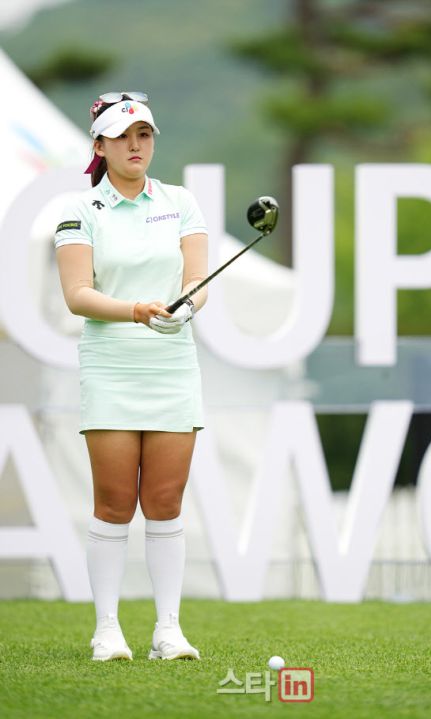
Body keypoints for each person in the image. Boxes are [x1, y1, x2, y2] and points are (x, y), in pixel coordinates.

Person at [54, 91, 208, 662]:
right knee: (116, 501)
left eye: (143, 134)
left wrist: (186, 307)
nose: (135, 145)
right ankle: (107, 630)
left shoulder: (180, 202)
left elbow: (196, 280)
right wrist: (136, 310)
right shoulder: (80, 211)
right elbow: (78, 295)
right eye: (121, 136)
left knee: (165, 500)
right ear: (100, 145)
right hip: (112, 365)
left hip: (171, 364)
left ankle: (168, 631)